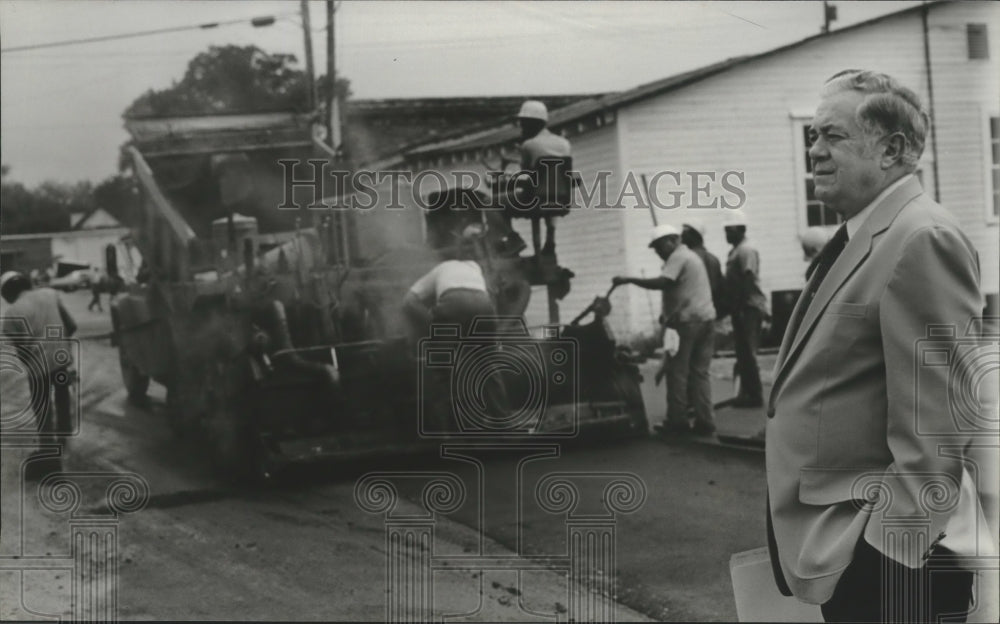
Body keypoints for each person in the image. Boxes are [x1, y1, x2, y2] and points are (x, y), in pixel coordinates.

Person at [766, 70, 995, 623]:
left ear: (892, 149)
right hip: (852, 550)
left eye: (833, 137)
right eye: (812, 137)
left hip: (890, 569)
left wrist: (885, 552)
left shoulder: (921, 237)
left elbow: (940, 423)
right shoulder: (868, 233)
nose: (814, 153)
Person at [613, 223, 717, 435]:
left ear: (672, 240)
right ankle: (705, 421)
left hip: (687, 323)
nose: (658, 253)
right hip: (706, 319)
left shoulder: (678, 257)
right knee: (700, 374)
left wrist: (629, 280)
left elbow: (663, 282)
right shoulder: (690, 257)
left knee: (677, 372)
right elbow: (680, 289)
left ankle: (677, 422)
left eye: (659, 247)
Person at [0, 270, 77, 477]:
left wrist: (33, 366)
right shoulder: (50, 294)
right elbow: (72, 325)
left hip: (37, 365)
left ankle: (49, 455)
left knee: (42, 409)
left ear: (7, 293)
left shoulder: (11, 313)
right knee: (62, 396)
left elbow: (21, 350)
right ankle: (63, 436)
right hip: (61, 359)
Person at [723, 211, 769, 408]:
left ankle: (755, 395)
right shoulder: (735, 251)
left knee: (748, 353)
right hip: (740, 306)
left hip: (748, 307)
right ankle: (746, 392)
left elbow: (748, 279)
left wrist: (741, 305)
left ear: (741, 230)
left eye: (730, 230)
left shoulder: (746, 251)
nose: (726, 234)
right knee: (742, 352)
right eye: (725, 230)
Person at [516, 100, 571, 257]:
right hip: (560, 199)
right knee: (550, 196)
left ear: (531, 123)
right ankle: (550, 238)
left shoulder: (529, 145)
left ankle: (513, 242)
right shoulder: (564, 143)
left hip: (534, 198)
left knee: (493, 203)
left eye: (523, 123)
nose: (521, 127)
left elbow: (525, 176)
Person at [682, 221, 727, 319]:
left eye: (685, 232)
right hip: (712, 312)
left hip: (697, 314)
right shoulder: (712, 258)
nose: (681, 235)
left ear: (694, 235)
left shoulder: (689, 258)